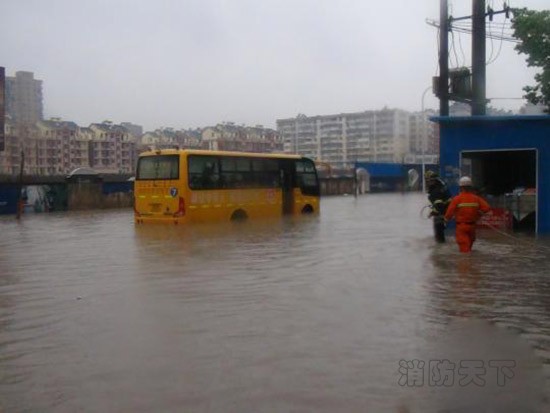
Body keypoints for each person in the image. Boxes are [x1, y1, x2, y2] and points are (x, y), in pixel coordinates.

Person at [444, 176, 491, 253]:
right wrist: (478, 214)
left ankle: (467, 264)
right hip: (472, 227)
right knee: (469, 247)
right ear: (470, 187)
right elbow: (487, 208)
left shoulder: (457, 199)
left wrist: (445, 220)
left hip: (461, 227)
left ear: (460, 187)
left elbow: (449, 213)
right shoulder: (476, 198)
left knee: (464, 252)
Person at [425, 170, 452, 243]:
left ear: (433, 181)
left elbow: (439, 206)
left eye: (428, 181)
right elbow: (442, 203)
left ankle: (441, 249)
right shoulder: (442, 186)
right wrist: (433, 212)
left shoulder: (435, 191)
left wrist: (435, 213)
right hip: (445, 213)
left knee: (439, 239)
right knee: (441, 236)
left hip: (440, 216)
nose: (427, 183)